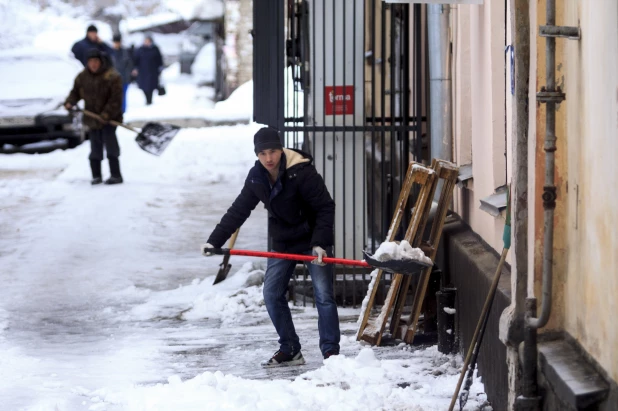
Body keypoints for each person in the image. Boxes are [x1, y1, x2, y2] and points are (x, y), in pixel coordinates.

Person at [202, 127, 340, 367]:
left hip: (311, 240)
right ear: (257, 154)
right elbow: (239, 210)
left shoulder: (302, 172)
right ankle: (290, 349)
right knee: (271, 293)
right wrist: (215, 240)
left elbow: (325, 207)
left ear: (281, 149)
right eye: (263, 153)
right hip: (284, 241)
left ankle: (331, 353)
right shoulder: (257, 176)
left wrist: (320, 243)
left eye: (273, 151)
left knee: (324, 296)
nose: (269, 158)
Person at [64, 49, 124, 185]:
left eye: (96, 61)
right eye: (90, 62)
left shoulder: (112, 76)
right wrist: (69, 102)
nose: (93, 64)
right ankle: (96, 176)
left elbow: (116, 99)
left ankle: (116, 175)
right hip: (92, 119)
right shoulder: (83, 77)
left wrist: (106, 114)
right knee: (95, 150)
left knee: (111, 148)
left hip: (110, 120)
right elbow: (75, 92)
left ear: (101, 61)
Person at [132, 36, 163, 105]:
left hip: (153, 71)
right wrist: (135, 68)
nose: (146, 42)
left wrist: (160, 68)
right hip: (142, 71)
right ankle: (147, 98)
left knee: (151, 86)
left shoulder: (155, 49)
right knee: (144, 86)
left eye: (148, 41)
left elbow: (159, 59)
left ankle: (150, 100)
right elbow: (136, 60)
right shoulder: (140, 49)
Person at [111, 33, 133, 113]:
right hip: (113, 79)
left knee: (122, 96)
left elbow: (129, 64)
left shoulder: (125, 52)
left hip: (124, 79)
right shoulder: (111, 52)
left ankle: (122, 112)